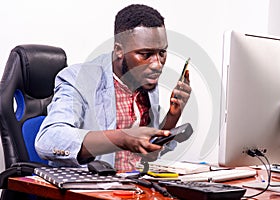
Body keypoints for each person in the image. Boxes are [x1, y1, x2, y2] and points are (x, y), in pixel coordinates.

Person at [35, 4, 191, 171]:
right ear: (119, 50)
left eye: (162, 53)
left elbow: (149, 154)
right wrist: (122, 138)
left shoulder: (145, 82)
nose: (157, 64)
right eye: (145, 54)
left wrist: (173, 116)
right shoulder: (78, 79)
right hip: (91, 191)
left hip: (134, 187)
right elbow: (48, 139)